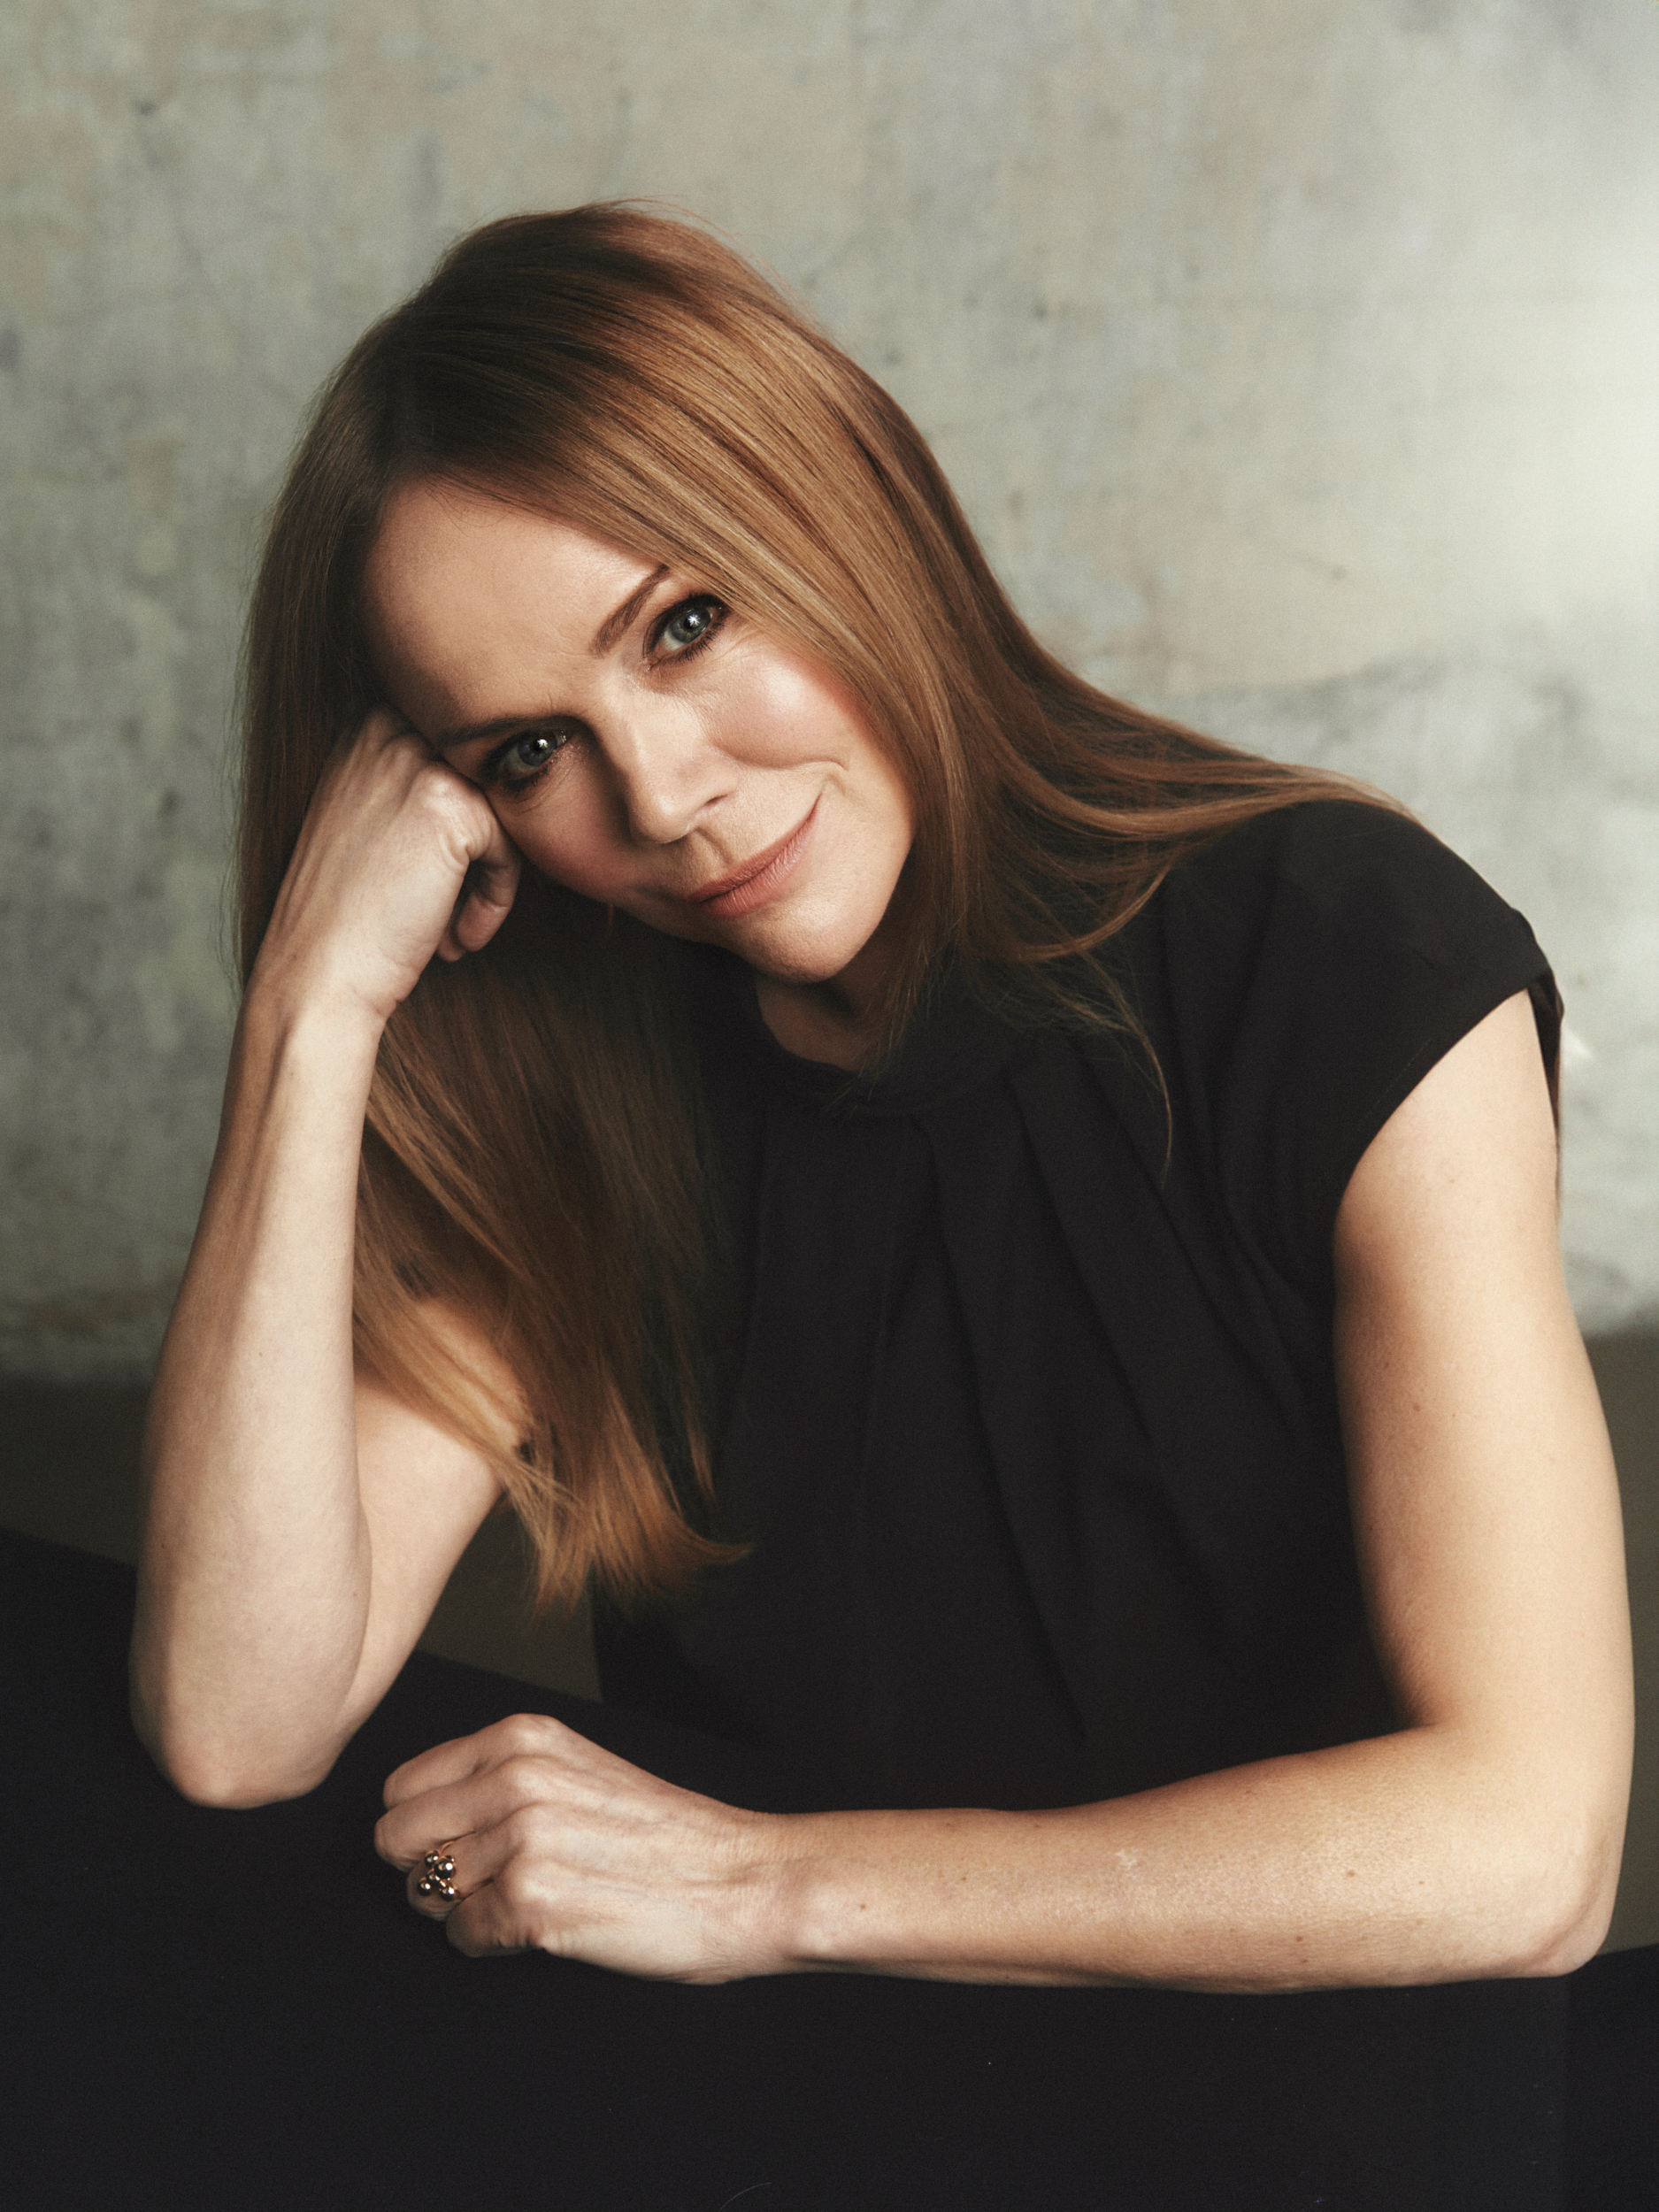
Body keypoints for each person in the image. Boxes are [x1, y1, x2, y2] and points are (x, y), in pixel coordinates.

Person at [130, 204, 1632, 1991]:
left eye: (684, 625)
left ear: (844, 509)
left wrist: (769, 1886)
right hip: (782, 2090)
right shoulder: (586, 1077)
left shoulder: (1345, 954)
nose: (662, 794)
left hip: (1299, 2068)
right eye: (527, 750)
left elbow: (1526, 1850)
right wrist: (308, 1007)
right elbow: (238, 1721)